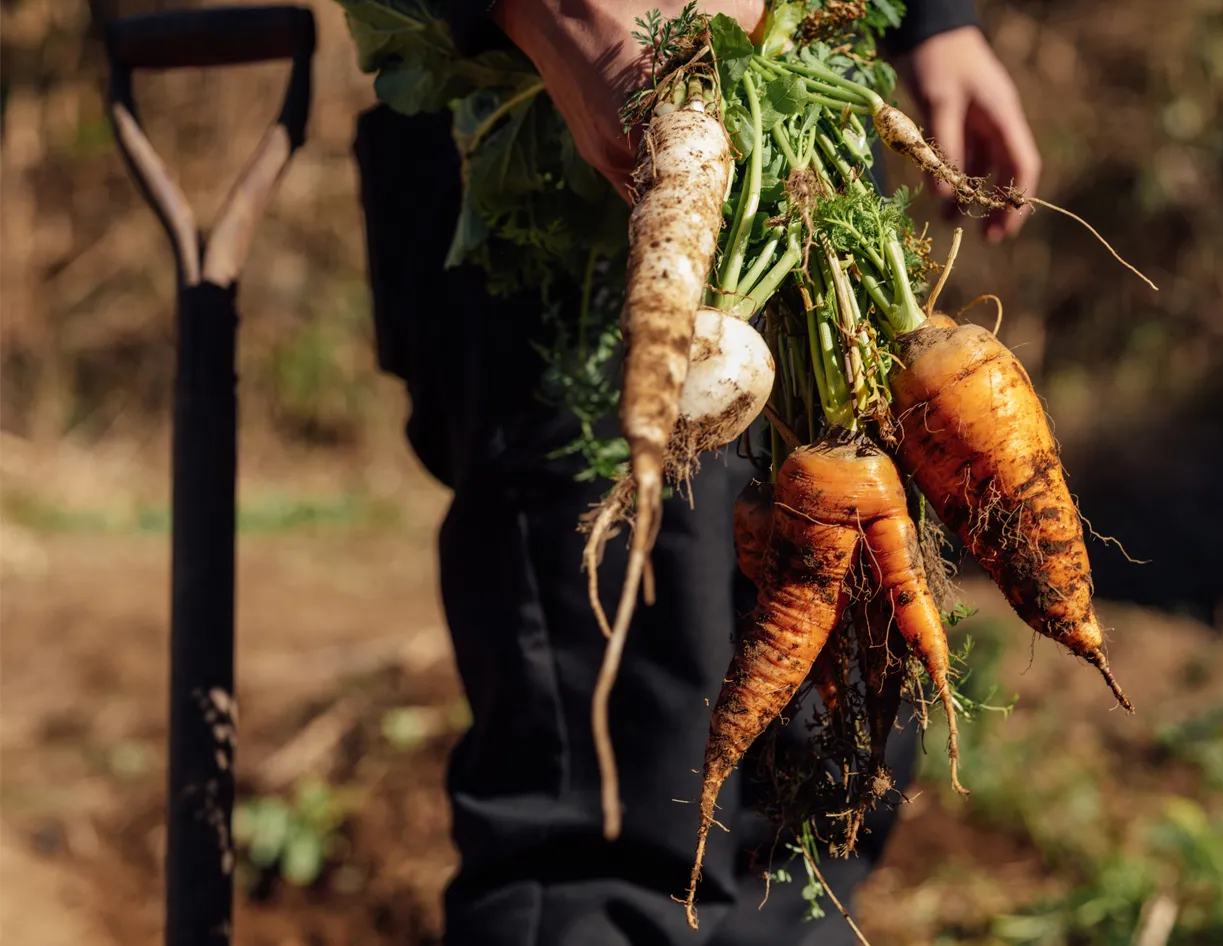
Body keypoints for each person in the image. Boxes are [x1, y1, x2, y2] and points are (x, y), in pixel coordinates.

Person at [351, 3, 1040, 943]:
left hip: (795, 160)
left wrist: (933, 19)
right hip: (563, 180)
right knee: (612, 790)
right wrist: (556, 16)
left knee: (818, 772)